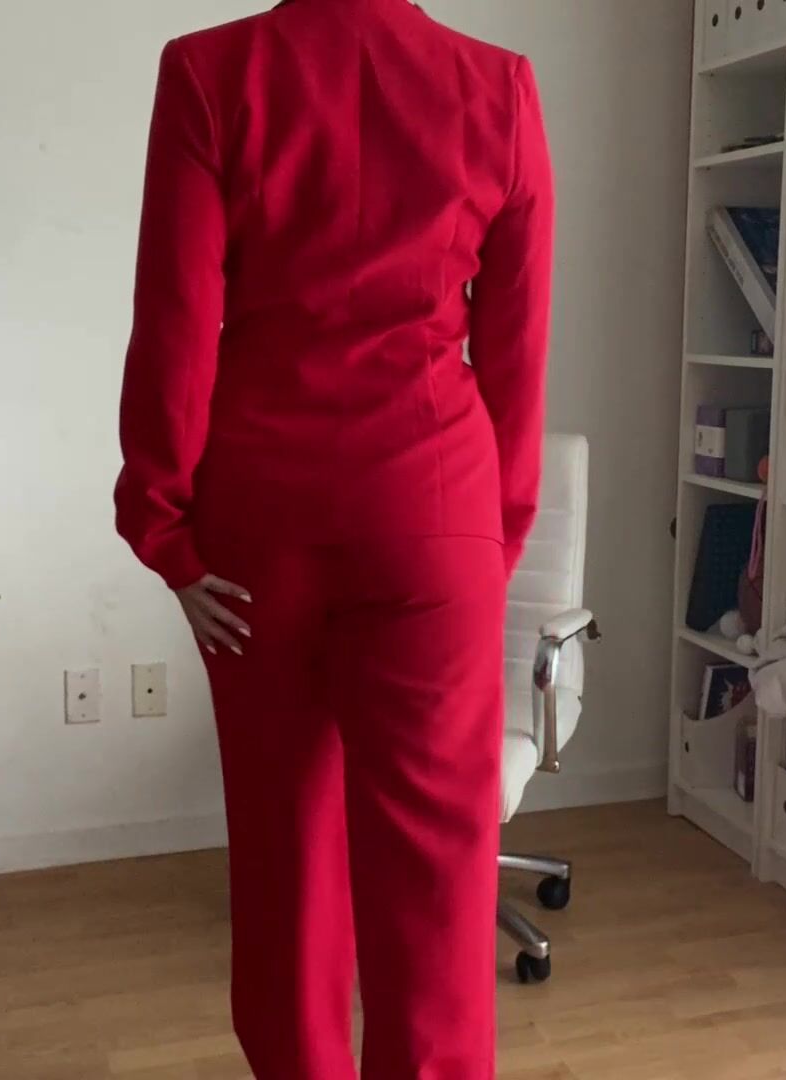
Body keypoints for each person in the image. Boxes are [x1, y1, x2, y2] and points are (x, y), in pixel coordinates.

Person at [112, 0, 554, 1075]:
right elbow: (517, 337)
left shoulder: (211, 72)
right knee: (439, 875)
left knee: (285, 855)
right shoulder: (496, 86)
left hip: (259, 524)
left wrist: (163, 526)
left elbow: (176, 318)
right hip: (434, 507)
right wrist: (494, 535)